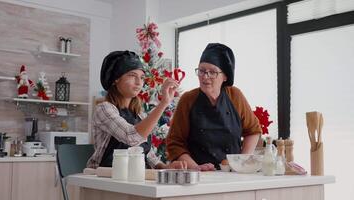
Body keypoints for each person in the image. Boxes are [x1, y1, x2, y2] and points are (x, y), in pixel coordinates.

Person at [166, 43, 262, 171]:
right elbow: (175, 143)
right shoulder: (188, 99)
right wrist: (196, 168)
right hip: (198, 176)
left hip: (232, 174)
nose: (205, 77)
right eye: (201, 71)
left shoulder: (235, 96)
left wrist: (241, 162)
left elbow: (253, 131)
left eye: (212, 72)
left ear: (225, 76)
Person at [87, 50, 186, 169]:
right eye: (132, 75)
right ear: (116, 79)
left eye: (142, 77)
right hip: (106, 177)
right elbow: (131, 137)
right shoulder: (104, 109)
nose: (139, 82)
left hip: (135, 176)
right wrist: (163, 103)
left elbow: (148, 154)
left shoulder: (139, 114)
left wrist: (166, 168)